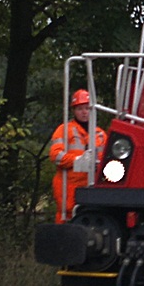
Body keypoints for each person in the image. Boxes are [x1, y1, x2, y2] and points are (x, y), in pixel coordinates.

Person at [49, 88, 107, 223]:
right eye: (80, 109)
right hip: (68, 187)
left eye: (87, 108)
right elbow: (55, 155)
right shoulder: (64, 130)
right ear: (74, 111)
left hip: (93, 187)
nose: (84, 112)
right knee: (67, 220)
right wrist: (77, 161)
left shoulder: (100, 134)